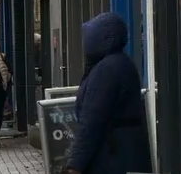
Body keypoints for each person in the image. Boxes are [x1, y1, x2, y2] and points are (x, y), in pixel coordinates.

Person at [65, 13, 152, 174]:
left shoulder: (106, 70)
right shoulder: (121, 63)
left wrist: (74, 164)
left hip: (109, 157)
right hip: (124, 155)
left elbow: (91, 121)